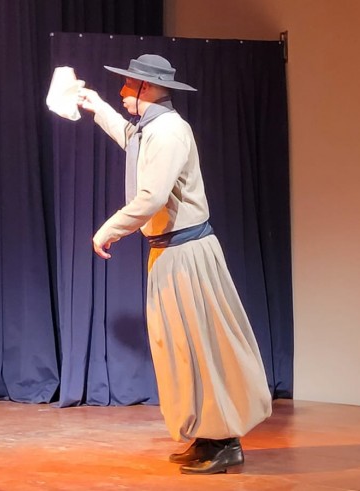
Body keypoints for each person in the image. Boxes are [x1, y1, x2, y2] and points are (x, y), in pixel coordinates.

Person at [77, 55, 272, 474]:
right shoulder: (153, 129)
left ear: (145, 89)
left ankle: (224, 440)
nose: (122, 91)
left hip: (186, 253)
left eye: (127, 86)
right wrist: (96, 107)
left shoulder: (168, 132)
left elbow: (151, 197)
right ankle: (206, 434)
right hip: (168, 253)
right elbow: (131, 139)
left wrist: (108, 230)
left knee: (202, 347)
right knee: (181, 350)